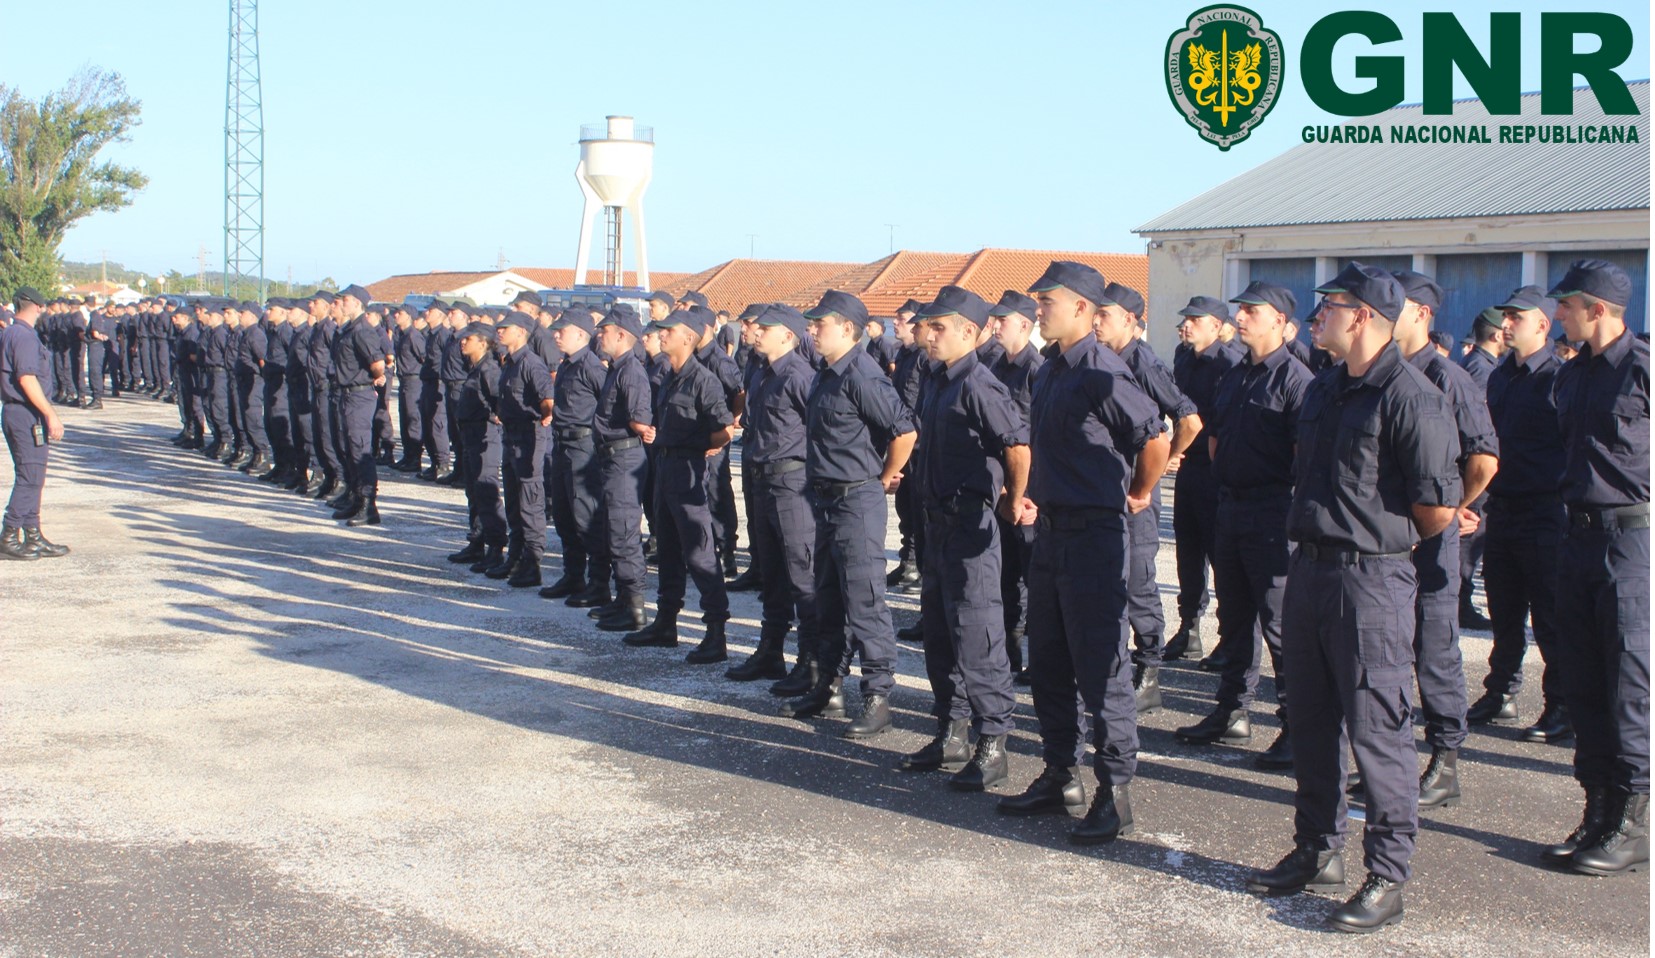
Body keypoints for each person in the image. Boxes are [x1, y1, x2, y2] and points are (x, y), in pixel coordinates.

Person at [1245, 263, 1461, 935]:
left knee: (1378, 730)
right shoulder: (1325, 388)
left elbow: (1437, 507)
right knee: (1311, 720)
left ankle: (1387, 875)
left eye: (1330, 307)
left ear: (1363, 315)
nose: (1318, 319)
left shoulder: (1411, 396)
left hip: (1371, 581)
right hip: (1309, 572)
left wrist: (1378, 541)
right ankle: (1317, 848)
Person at [996, 261, 1168, 845]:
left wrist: (1138, 492)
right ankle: (1059, 773)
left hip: (1095, 535)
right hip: (1052, 532)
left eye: (1048, 301)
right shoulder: (1050, 370)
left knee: (1101, 669)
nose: (1038, 308)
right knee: (1048, 660)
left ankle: (1114, 793)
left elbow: (1155, 437)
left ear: (1082, 309)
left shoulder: (1101, 370)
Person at [1542, 259, 1649, 875]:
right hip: (1576, 537)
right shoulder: (1572, 374)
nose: (1559, 314)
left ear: (1598, 309)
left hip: (1631, 540)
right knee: (1582, 679)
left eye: (1567, 305)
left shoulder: (1643, 369)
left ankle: (1633, 823)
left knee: (1629, 683)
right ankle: (1599, 811)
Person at [900, 286, 1029, 791]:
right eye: (928, 326)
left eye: (940, 328)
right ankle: (951, 731)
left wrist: (1013, 499)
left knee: (978, 637)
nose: (929, 335)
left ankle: (992, 741)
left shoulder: (979, 383)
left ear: (970, 332)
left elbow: (1016, 446)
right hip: (937, 524)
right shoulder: (937, 379)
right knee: (940, 634)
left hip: (971, 524)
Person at [1176, 280, 1309, 768]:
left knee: (1280, 625)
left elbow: (1304, 455)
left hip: (1273, 510)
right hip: (1229, 505)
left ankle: (1298, 726)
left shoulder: (1295, 380)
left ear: (1280, 321)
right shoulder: (1236, 375)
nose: (1242, 317)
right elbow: (1214, 436)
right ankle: (1232, 710)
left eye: (1254, 310)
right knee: (1234, 619)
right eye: (1242, 310)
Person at [779, 290, 916, 738]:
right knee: (829, 599)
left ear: (848, 329)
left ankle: (877, 697)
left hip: (857, 500)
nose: (812, 331)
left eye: (820, 324)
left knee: (865, 601)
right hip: (825, 500)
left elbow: (904, 432)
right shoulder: (826, 373)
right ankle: (829, 687)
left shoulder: (862, 374)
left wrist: (885, 477)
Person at [1386, 269, 1500, 809]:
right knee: (1390, 650)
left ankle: (1445, 760)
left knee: (1434, 646)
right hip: (1391, 535)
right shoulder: (1385, 372)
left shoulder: (1449, 377)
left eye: (1398, 305)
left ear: (1423, 315)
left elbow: (1483, 458)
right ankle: (1396, 761)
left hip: (1432, 536)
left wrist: (1453, 509)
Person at [1094, 281, 1200, 712]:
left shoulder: (1143, 362)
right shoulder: (1102, 358)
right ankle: (1114, 671)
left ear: (1130, 321)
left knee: (1138, 580)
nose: (1096, 322)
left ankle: (1149, 672)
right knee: (1109, 582)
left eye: (1105, 315)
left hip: (1137, 491)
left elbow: (1189, 419)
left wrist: (1165, 462)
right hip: (1108, 487)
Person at [1470, 285, 1569, 741]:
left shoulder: (1558, 378)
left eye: (1517, 318)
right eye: (1505, 316)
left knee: (1549, 616)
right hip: (1504, 509)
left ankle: (1561, 704)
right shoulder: (1501, 376)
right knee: (1504, 610)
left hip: (1545, 511)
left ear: (1543, 325)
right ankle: (1501, 692)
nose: (1506, 325)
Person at [625, 309, 735, 658]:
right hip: (665, 466)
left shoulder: (703, 380)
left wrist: (704, 446)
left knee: (699, 553)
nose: (661, 335)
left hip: (688, 471)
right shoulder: (669, 376)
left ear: (688, 337)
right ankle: (666, 623)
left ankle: (715, 633)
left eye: (668, 331)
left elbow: (725, 429)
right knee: (668, 549)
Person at [732, 304, 820, 684]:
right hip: (762, 481)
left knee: (801, 574)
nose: (756, 333)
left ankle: (811, 661)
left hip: (791, 484)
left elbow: (820, 429)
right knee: (771, 574)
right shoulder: (762, 373)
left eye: (765, 329)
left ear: (787, 335)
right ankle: (771, 652)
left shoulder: (800, 376)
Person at [1167, 295, 1242, 662]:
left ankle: (1229, 635)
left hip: (1215, 469)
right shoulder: (1183, 358)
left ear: (1216, 326)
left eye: (1195, 320)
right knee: (1188, 551)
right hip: (1188, 467)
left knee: (1221, 555)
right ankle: (1189, 628)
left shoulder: (1230, 363)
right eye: (1186, 319)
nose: (1187, 325)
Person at [987, 291, 1044, 683]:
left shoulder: (1036, 370)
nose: (995, 327)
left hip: (1029, 492)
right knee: (1006, 577)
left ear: (1024, 324)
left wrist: (1028, 493)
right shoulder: (996, 366)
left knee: (1034, 579)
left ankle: (1040, 660)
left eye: (1002, 321)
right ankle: (1009, 657)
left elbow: (1041, 437)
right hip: (1003, 489)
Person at [589, 305, 655, 633]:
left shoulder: (631, 371)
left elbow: (640, 418)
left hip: (625, 458)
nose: (599, 336)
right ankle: (623, 598)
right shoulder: (617, 368)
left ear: (620, 335)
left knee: (625, 532)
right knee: (613, 530)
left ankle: (635, 607)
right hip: (612, 457)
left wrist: (641, 427)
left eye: (604, 331)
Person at [539, 307, 607, 600]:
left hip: (583, 447)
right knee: (564, 515)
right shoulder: (566, 364)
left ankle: (599, 583)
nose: (556, 335)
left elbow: (609, 404)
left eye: (562, 331)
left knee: (586, 516)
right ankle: (573, 576)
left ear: (580, 334)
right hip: (562, 445)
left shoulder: (592, 367)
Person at [488, 311, 556, 587]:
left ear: (520, 332)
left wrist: (547, 415)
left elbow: (547, 398)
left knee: (530, 501)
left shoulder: (531, 363)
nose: (499, 331)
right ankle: (515, 557)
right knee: (514, 501)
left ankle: (532, 562)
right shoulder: (510, 362)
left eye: (505, 328)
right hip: (511, 435)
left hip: (529, 435)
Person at [0, 286, 69, 560]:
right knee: (30, 476)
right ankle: (9, 535)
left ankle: (33, 533)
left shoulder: (12, 332)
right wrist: (50, 414)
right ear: (39, 307)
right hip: (25, 413)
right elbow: (27, 379)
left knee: (34, 476)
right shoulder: (23, 336)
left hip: (20, 412)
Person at [1457, 305, 1505, 631]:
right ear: (1497, 334)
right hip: (1473, 467)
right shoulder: (1480, 369)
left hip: (1476, 466)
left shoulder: (1481, 364)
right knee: (1467, 542)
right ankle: (1460, 603)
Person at [329, 285, 388, 526]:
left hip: (359, 395)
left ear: (356, 303)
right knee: (347, 448)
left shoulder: (363, 330)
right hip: (346, 394)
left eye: (345, 300)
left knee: (359, 449)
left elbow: (378, 364)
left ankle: (368, 505)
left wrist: (373, 377)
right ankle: (355, 498)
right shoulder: (348, 329)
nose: (341, 303)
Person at [887, 298, 928, 594]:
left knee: (919, 508)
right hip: (902, 441)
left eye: (903, 319)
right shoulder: (903, 355)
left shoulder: (924, 357)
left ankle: (919, 565)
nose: (897, 323)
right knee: (905, 507)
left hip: (919, 444)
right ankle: (908, 560)